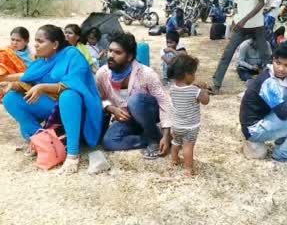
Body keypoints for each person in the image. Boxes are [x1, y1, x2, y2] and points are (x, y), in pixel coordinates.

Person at [0, 25, 103, 175]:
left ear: (54, 45)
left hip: (77, 109)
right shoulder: (40, 62)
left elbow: (75, 83)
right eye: (35, 41)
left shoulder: (72, 55)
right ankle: (42, 141)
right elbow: (29, 83)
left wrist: (43, 87)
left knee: (69, 95)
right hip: (53, 106)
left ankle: (73, 154)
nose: (35, 45)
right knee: (11, 99)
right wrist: (13, 86)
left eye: (40, 41)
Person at [240, 42, 287, 169]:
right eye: (278, 63)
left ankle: (281, 140)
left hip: (265, 117)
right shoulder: (268, 81)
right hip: (254, 129)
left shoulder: (280, 75)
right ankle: (283, 156)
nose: (281, 69)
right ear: (273, 60)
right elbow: (284, 114)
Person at [97, 33, 172, 159]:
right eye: (110, 51)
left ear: (129, 56)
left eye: (117, 52)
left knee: (135, 100)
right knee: (109, 142)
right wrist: (110, 108)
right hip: (128, 119)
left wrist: (167, 133)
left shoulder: (146, 74)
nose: (110, 55)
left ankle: (154, 139)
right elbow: (96, 98)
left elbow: (164, 102)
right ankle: (149, 138)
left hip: (149, 114)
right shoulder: (102, 74)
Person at [211, 0, 268, 93]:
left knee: (266, 56)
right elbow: (241, 4)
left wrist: (243, 21)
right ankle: (216, 85)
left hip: (256, 26)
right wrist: (236, 20)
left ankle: (271, 85)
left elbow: (261, 3)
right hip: (241, 26)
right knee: (227, 54)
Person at [167, 54, 209, 176]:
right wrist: (204, 89)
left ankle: (174, 160)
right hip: (190, 127)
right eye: (193, 73)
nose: (195, 77)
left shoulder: (172, 88)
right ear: (187, 74)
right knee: (188, 146)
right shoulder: (194, 91)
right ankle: (188, 169)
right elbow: (205, 101)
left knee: (176, 142)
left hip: (176, 125)